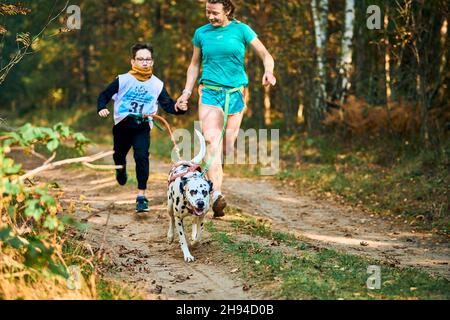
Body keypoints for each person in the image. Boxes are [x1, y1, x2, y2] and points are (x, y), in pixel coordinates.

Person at [175, 0, 276, 217]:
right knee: (212, 140)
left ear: (227, 10)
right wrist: (186, 91)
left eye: (215, 13)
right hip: (210, 92)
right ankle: (216, 195)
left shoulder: (242, 30)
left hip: (236, 94)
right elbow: (194, 64)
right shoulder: (201, 33)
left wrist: (268, 71)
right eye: (207, 12)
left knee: (225, 148)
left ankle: (213, 180)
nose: (210, 17)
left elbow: (266, 55)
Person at [97, 43, 187, 213]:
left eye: (148, 59)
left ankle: (141, 196)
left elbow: (168, 105)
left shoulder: (157, 84)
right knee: (119, 155)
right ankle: (120, 170)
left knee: (141, 156)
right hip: (123, 125)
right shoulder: (123, 80)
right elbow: (104, 95)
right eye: (140, 59)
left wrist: (180, 108)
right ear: (133, 62)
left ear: (152, 62)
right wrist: (101, 107)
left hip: (142, 125)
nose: (145, 62)